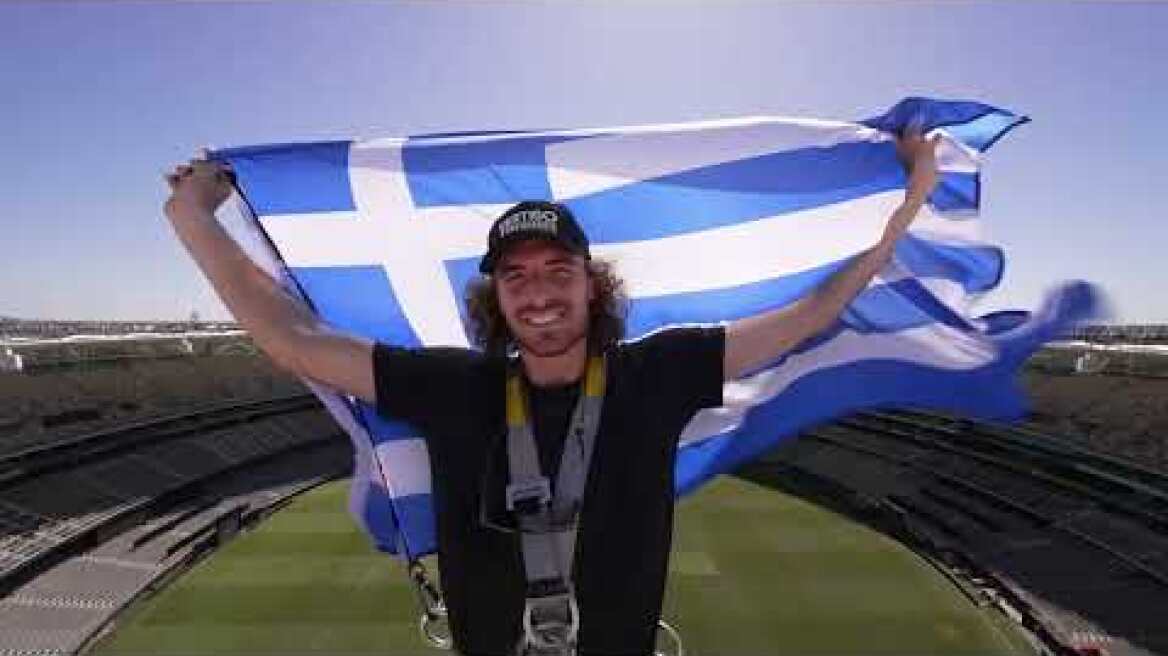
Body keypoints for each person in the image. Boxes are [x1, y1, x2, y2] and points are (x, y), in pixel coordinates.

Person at [163, 131, 938, 656]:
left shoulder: (656, 374)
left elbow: (812, 313)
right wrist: (193, 214)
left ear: (592, 286)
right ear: (494, 298)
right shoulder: (453, 387)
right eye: (516, 276)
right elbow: (295, 340)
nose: (538, 294)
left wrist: (909, 199)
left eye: (557, 272)